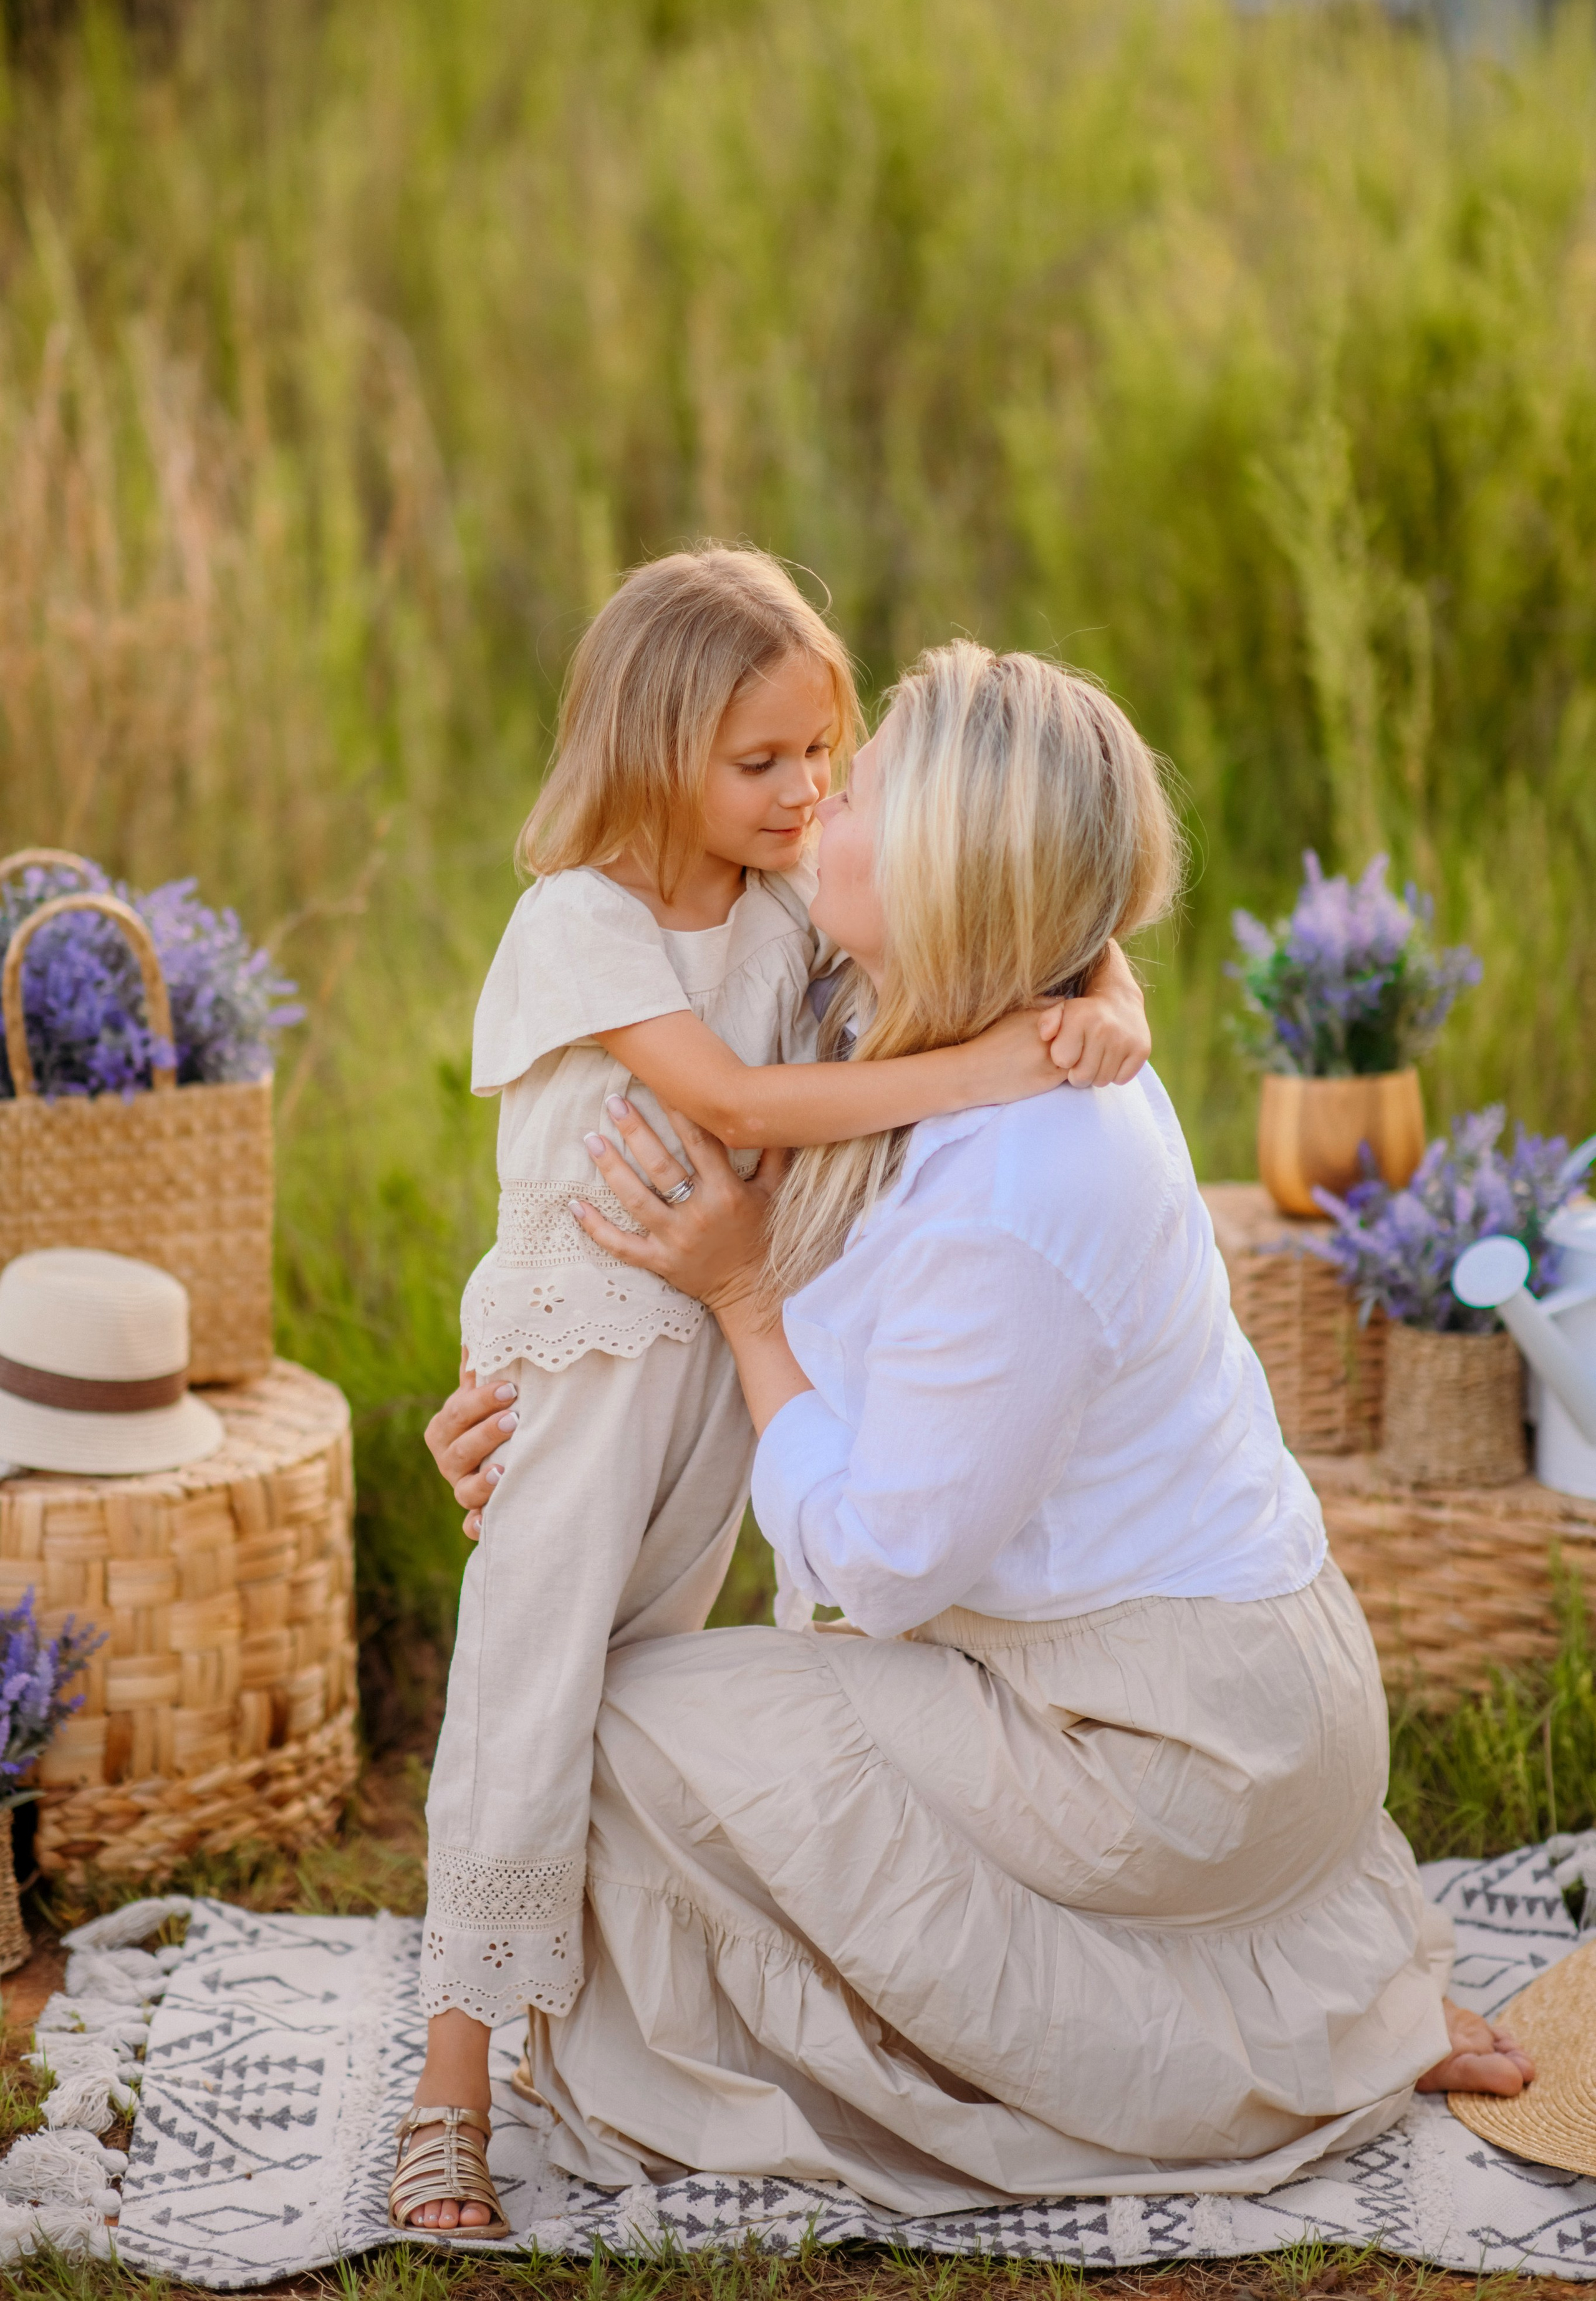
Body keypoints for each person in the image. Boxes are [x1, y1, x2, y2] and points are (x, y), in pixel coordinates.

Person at [429, 639, 1534, 2218]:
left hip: (1174, 1750)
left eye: (857, 787)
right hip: (1231, 1687)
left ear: (946, 872)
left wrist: (741, 1300)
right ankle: (1299, 2003)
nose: (816, 803)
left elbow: (877, 1565)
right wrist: (530, 1410)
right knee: (695, 1721)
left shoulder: (1021, 1182)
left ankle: (1183, 2052)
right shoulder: (918, 1030)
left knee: (617, 1735)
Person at [391, 556, 1154, 2237]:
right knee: (528, 1694)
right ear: (653, 750)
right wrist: (994, 1067)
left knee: (656, 1692)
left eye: (824, 751)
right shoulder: (578, 923)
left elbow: (1013, 929)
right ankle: (446, 2094)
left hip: (721, 1365)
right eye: (762, 762)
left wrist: (1104, 1000)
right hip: (590, 1371)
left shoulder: (789, 893)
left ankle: (625, 2030)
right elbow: (735, 1098)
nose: (809, 790)